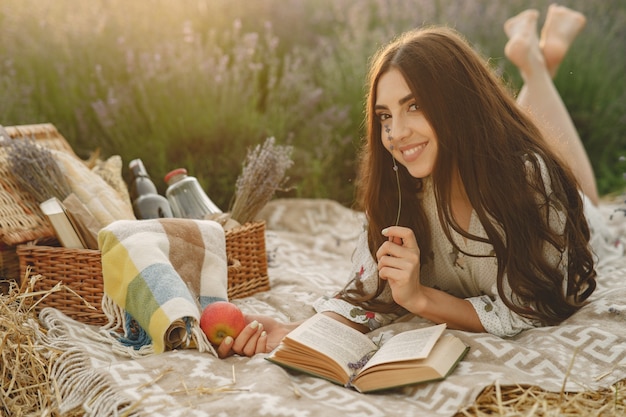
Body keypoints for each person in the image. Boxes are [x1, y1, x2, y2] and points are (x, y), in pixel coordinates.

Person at [217, 4, 607, 358]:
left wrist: (422, 300)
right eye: (385, 116)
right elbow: (372, 295)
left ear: (457, 102)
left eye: (414, 106)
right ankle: (538, 60)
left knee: (582, 189)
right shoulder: (401, 190)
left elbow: (536, 305)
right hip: (490, 157)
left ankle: (536, 65)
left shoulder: (529, 180)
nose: (396, 133)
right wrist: (293, 331)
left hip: (567, 210)